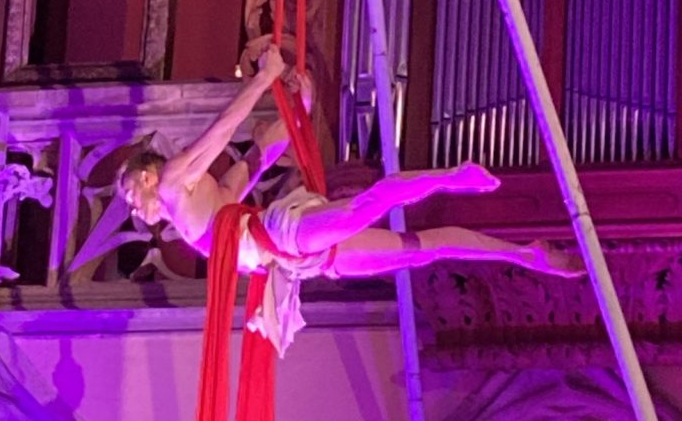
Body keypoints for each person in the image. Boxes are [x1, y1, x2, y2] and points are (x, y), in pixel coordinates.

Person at [117, 45, 583, 355]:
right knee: (421, 249)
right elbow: (260, 157)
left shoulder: (176, 181)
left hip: (287, 234)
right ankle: (525, 255)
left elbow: (221, 130)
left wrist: (265, 80)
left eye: (130, 195)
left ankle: (449, 176)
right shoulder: (206, 201)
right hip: (302, 262)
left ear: (146, 175)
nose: (135, 210)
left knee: (367, 206)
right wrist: (300, 108)